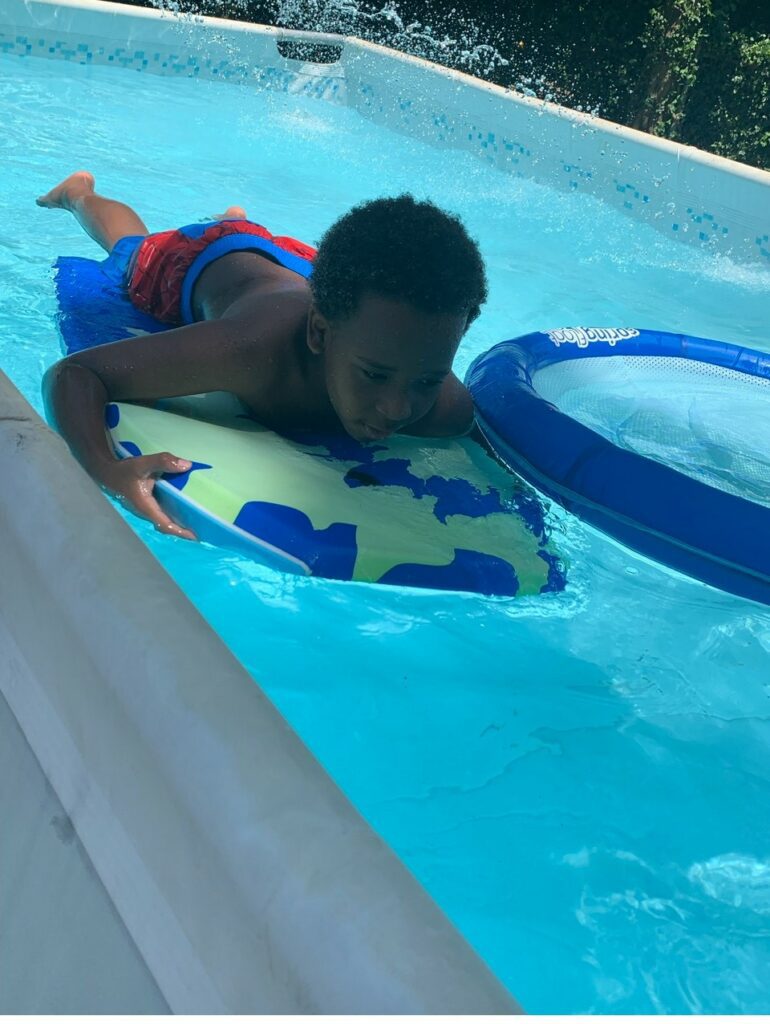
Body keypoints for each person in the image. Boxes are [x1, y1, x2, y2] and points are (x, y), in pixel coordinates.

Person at [40, 172, 488, 540]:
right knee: (131, 249)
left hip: (300, 265)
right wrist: (104, 470)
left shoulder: (435, 392)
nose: (398, 408)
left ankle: (237, 222)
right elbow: (76, 374)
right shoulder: (250, 350)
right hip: (202, 260)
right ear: (318, 333)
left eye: (427, 381)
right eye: (373, 375)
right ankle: (80, 193)